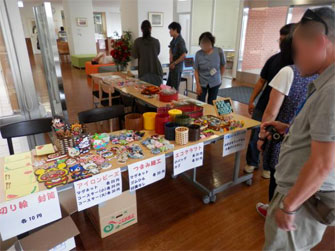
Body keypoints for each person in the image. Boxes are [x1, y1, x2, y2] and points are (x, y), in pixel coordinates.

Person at [262, 7, 335, 250]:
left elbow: (323, 164)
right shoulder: (326, 84)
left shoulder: (332, 91)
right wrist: (288, 129)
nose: (294, 59)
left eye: (297, 50)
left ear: (319, 42)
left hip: (303, 199)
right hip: (305, 195)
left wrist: (290, 205)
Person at [255, 30, 319, 218]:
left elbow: (271, 112)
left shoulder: (288, 71)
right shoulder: (319, 72)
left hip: (281, 136)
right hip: (304, 137)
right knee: (294, 177)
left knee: (278, 178)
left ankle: (275, 211)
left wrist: (261, 137)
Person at [244, 23, 296, 179]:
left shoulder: (297, 64)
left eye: (285, 40)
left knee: (274, 139)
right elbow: (261, 81)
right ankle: (252, 162)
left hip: (284, 110)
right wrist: (252, 100)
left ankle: (268, 166)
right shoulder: (274, 59)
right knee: (256, 135)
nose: (281, 43)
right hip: (264, 105)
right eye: (279, 39)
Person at [194, 32, 226, 105]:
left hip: (215, 81)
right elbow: (196, 70)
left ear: (211, 42)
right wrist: (198, 85)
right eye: (202, 43)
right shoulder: (198, 54)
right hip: (202, 81)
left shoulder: (219, 51)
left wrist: (220, 77)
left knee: (212, 102)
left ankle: (210, 115)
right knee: (200, 102)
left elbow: (223, 65)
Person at [131, 20, 163, 86]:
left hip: (143, 71)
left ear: (141, 29)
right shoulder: (156, 41)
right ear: (150, 28)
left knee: (144, 93)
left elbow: (134, 55)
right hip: (156, 70)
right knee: (156, 93)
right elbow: (157, 53)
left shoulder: (137, 42)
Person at [166, 22, 188, 91]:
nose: (169, 32)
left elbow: (184, 55)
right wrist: (170, 56)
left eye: (170, 30)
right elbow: (170, 48)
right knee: (168, 87)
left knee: (174, 89)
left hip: (176, 67)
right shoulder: (174, 39)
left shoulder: (180, 41)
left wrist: (174, 63)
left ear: (175, 30)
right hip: (172, 67)